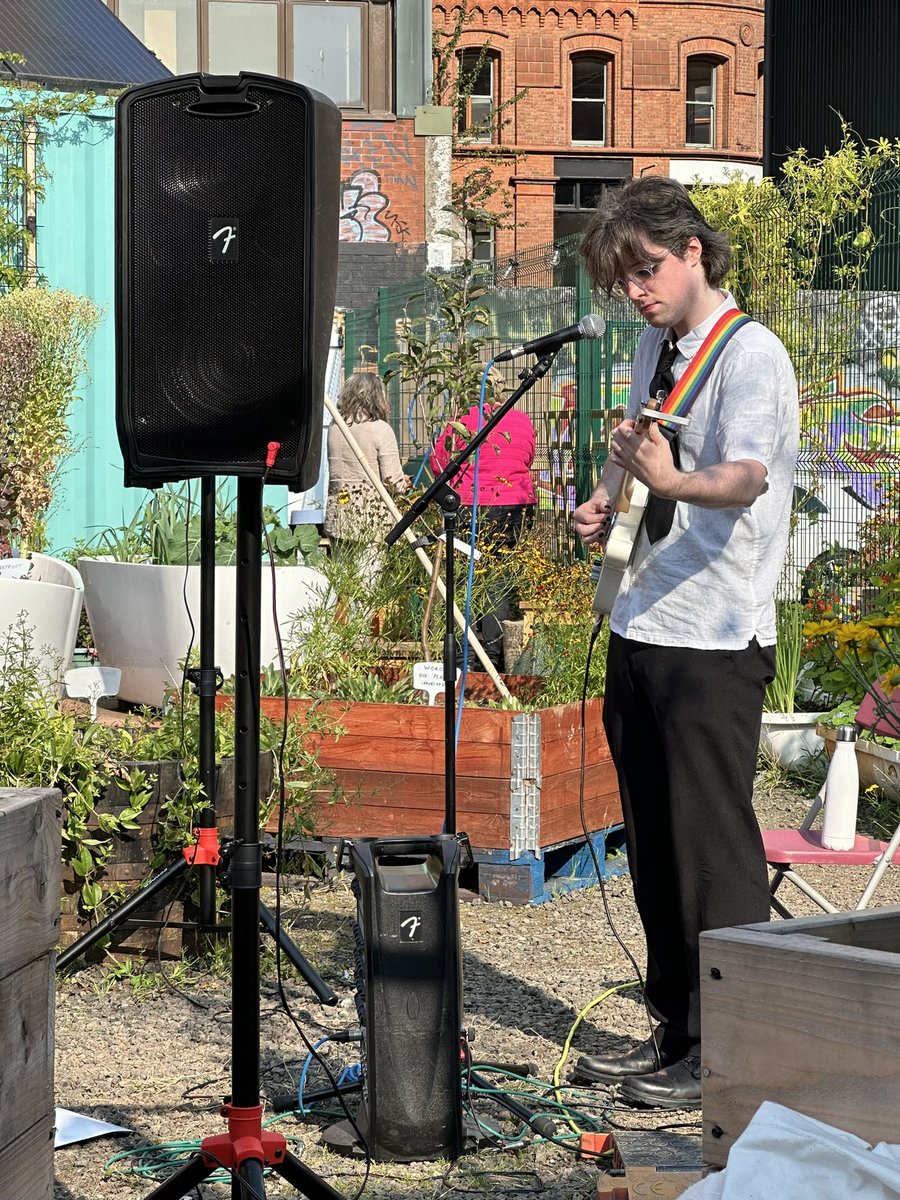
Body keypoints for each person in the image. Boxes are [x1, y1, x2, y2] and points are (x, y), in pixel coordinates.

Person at [572, 177, 799, 1110]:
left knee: (714, 850)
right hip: (641, 617)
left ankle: (733, 1055)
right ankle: (674, 1031)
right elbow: (638, 456)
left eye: (648, 270)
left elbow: (747, 476)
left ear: (694, 250)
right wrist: (607, 497)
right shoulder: (651, 347)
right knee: (655, 844)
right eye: (623, 278)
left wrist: (674, 475)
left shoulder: (754, 356)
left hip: (714, 634)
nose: (636, 290)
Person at [430, 369, 536, 671]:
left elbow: (440, 464)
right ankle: (494, 656)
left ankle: (468, 658)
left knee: (465, 579)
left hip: (471, 506)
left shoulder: (461, 422)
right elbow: (526, 457)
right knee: (497, 580)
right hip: (515, 507)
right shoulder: (520, 420)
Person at [324, 371, 407, 549]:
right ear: (378, 397)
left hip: (338, 514)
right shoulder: (380, 429)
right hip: (370, 520)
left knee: (341, 574)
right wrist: (403, 482)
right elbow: (392, 480)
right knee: (368, 575)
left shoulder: (335, 427)